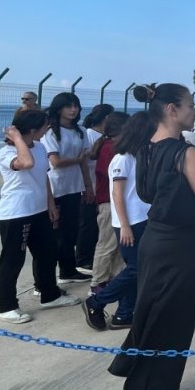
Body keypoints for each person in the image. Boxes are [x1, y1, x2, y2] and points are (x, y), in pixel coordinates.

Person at [108, 84, 195, 390]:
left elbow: (147, 194)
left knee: (153, 316)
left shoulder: (144, 148)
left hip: (156, 241)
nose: (194, 111)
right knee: (174, 323)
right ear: (172, 110)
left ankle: (146, 383)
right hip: (182, 249)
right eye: (190, 105)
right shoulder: (185, 153)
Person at [0, 109, 81, 323]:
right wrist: (16, 138)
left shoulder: (40, 147)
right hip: (16, 213)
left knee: (47, 253)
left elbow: (44, 177)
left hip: (38, 210)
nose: (47, 129)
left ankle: (49, 294)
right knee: (13, 260)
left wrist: (50, 205)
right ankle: (6, 306)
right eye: (44, 126)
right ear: (33, 130)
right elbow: (26, 163)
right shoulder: (5, 153)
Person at [82, 112, 152, 331]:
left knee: (135, 268)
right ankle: (97, 301)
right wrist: (124, 225)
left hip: (142, 219)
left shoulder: (139, 156)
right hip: (130, 222)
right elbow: (117, 194)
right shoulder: (121, 159)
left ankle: (124, 313)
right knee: (136, 269)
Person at [43, 93, 94, 284]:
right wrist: (77, 160)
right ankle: (50, 277)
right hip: (57, 188)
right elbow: (55, 161)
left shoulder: (81, 131)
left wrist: (88, 185)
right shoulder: (51, 133)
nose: (73, 110)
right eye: (68, 106)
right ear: (59, 108)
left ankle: (68, 270)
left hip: (74, 186)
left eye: (76, 106)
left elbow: (84, 162)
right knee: (56, 234)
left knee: (71, 231)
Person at [89, 112, 128, 292]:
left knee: (119, 245)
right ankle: (98, 281)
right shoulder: (109, 149)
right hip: (108, 202)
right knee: (107, 243)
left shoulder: (113, 147)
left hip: (116, 202)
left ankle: (115, 277)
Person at [78, 104, 116, 274]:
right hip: (93, 185)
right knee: (88, 225)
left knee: (95, 226)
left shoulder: (101, 137)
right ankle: (84, 259)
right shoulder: (91, 135)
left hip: (96, 185)